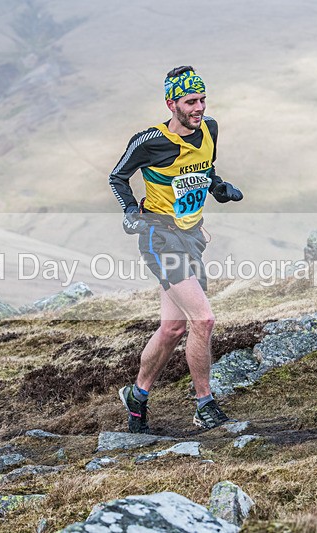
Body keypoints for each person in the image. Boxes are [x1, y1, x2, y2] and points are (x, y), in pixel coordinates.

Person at [109, 66, 244, 433]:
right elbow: (117, 176)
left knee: (172, 328)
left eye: (202, 99)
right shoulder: (149, 142)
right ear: (172, 103)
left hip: (192, 236)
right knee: (204, 319)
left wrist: (219, 188)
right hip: (160, 237)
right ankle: (204, 404)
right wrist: (129, 212)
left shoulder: (210, 130)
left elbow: (205, 168)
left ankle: (137, 395)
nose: (199, 107)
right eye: (190, 101)